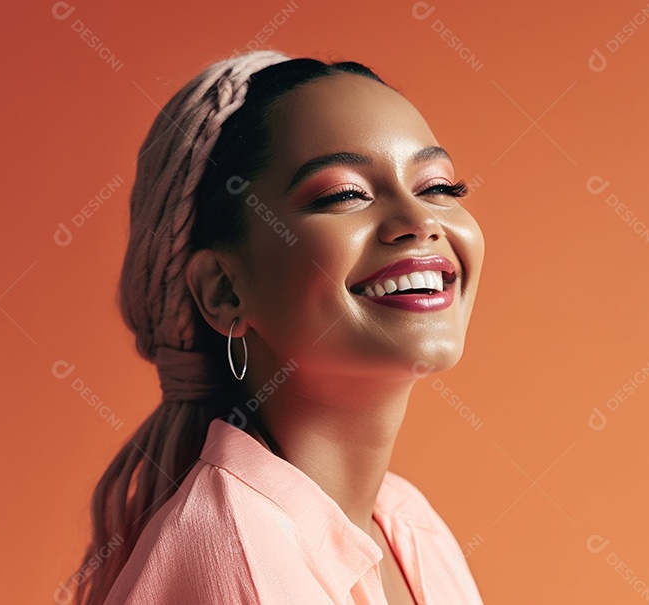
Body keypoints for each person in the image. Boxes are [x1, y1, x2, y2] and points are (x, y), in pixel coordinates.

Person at [64, 48, 486, 605]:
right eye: (344, 195)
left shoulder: (407, 522)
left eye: (439, 187)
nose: (420, 221)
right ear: (225, 291)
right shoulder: (234, 553)